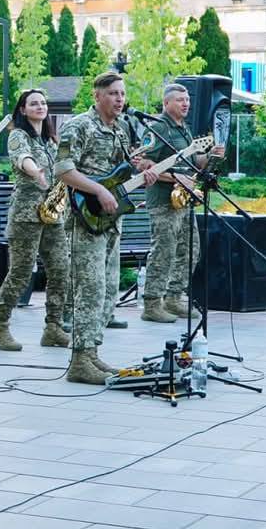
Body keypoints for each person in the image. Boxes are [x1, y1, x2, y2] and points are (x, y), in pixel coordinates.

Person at [55, 73, 157, 384]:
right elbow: (63, 170)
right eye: (113, 93)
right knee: (90, 287)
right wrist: (98, 190)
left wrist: (143, 172)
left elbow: (121, 171)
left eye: (122, 93)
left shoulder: (121, 128)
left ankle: (91, 353)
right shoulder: (78, 126)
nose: (119, 99)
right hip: (85, 216)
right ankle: (79, 361)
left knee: (108, 288)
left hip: (110, 220)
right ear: (97, 95)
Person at [0, 89, 69, 351]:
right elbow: (23, 158)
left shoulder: (51, 140)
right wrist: (37, 173)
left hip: (53, 213)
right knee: (21, 273)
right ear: (23, 109)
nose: (40, 107)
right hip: (26, 215)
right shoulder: (18, 135)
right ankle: (0, 328)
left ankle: (53, 328)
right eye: (34, 103)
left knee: (61, 269)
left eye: (43, 103)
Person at [140, 83, 225, 322]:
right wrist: (175, 177)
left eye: (187, 99)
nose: (186, 103)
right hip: (162, 201)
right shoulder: (158, 128)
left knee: (190, 250)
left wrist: (211, 156)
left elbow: (194, 163)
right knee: (163, 251)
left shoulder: (184, 129)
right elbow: (143, 164)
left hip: (183, 200)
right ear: (166, 103)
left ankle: (174, 298)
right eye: (180, 100)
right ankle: (151, 304)